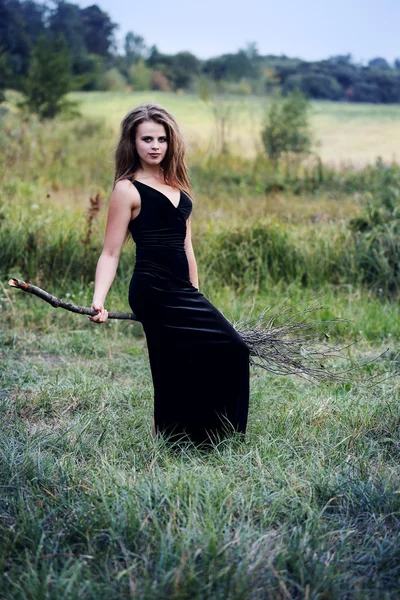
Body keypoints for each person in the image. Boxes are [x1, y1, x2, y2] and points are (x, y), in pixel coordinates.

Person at [89, 103, 250, 446]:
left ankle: (216, 435)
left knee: (230, 348)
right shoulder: (127, 189)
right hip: (152, 289)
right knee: (171, 361)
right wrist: (98, 301)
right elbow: (110, 252)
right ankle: (175, 438)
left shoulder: (179, 185)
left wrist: (196, 293)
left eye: (161, 138)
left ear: (170, 142)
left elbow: (187, 247)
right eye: (146, 138)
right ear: (132, 143)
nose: (155, 146)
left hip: (181, 289)